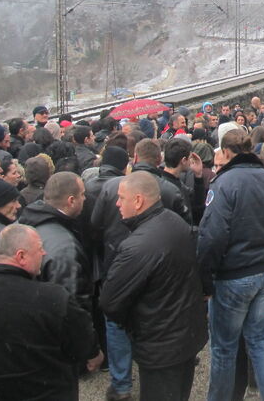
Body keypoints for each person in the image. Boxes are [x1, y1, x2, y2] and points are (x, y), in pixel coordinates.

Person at [198, 128, 264, 401]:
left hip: (233, 275)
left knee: (223, 349)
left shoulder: (224, 184)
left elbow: (211, 237)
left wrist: (205, 280)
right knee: (259, 341)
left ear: (227, 152)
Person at [0, 224, 101, 400]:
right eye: (40, 248)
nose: (44, 254)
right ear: (21, 256)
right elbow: (82, 344)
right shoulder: (54, 299)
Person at [101, 172, 208, 401]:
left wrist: (132, 323)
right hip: (184, 335)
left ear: (138, 201)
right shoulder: (174, 220)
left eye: (121, 198)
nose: (117, 204)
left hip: (161, 343)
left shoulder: (137, 247)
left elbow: (109, 302)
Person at [17, 172, 91, 306]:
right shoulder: (65, 246)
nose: (85, 199)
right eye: (82, 194)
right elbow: (72, 302)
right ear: (71, 201)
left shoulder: (21, 225)